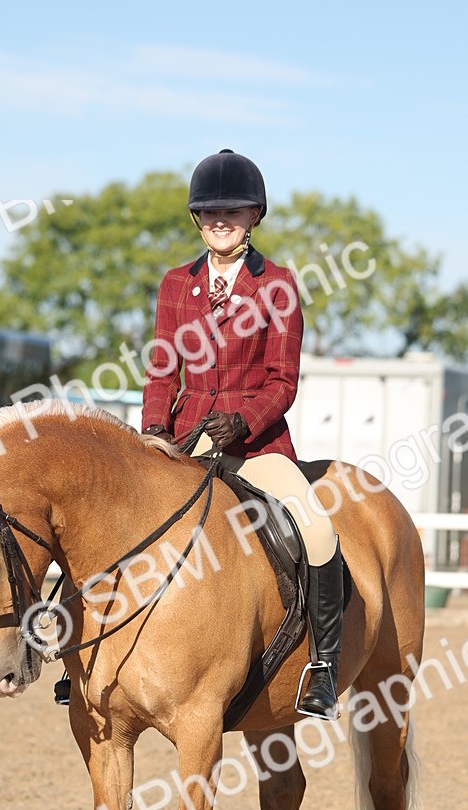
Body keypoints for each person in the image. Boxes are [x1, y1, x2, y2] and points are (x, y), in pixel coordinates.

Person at [141, 149, 343, 719]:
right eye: (208, 213)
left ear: (254, 215)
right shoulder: (175, 284)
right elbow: (162, 370)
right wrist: (155, 432)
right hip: (184, 441)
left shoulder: (278, 286)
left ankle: (323, 666)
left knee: (317, 527)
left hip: (256, 446)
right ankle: (91, 661)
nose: (219, 221)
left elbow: (284, 381)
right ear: (196, 219)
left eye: (232, 211)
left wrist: (244, 420)